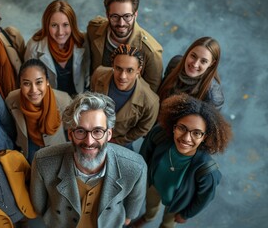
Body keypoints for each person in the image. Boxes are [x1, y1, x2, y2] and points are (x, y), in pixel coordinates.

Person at [30, 91, 147, 227]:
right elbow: (39, 206)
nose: (89, 141)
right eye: (80, 131)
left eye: (97, 131)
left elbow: (131, 211)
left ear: (109, 134)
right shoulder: (43, 162)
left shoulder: (136, 167)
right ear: (70, 134)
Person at [130, 94, 232, 228]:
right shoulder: (158, 135)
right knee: (151, 206)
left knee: (168, 222)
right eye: (182, 128)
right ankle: (148, 217)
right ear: (174, 127)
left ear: (204, 137)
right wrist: (141, 182)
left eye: (196, 133)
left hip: (178, 202)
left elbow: (204, 198)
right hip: (153, 186)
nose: (186, 138)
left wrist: (186, 214)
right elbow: (144, 157)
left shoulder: (207, 171)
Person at [87, 0, 163, 93]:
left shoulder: (151, 52)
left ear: (135, 15)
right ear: (107, 15)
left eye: (127, 16)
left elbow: (150, 93)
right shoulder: (93, 30)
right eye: (115, 16)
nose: (121, 23)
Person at [91, 44, 159, 149]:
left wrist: (117, 141)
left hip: (120, 142)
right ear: (112, 65)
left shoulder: (150, 102)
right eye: (118, 68)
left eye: (130, 70)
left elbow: (142, 129)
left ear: (139, 70)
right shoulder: (99, 74)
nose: (123, 76)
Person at [5, 58, 72, 164]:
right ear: (20, 85)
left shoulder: (64, 101)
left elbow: (71, 133)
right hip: (28, 151)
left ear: (47, 82)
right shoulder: (11, 100)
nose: (33, 90)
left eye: (39, 82)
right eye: (27, 84)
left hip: (57, 152)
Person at [24, 0, 90, 96]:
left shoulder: (83, 41)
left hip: (79, 99)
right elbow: (29, 82)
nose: (60, 32)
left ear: (72, 25)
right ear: (47, 25)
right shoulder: (33, 46)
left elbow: (88, 75)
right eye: (54, 25)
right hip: (50, 102)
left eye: (65, 25)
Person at [157, 36, 224, 109]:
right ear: (188, 52)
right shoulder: (175, 63)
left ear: (212, 63)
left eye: (203, 61)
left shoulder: (213, 96)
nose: (195, 64)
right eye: (193, 56)